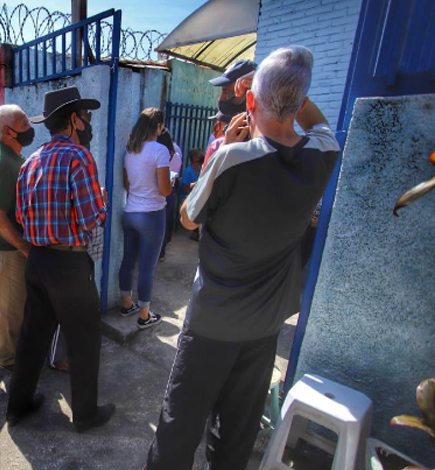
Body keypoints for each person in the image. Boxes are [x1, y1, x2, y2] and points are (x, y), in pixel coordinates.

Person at [146, 45, 340, 470]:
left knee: (180, 424)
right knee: (238, 429)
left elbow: (188, 218)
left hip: (212, 322)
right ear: (302, 101)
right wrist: (291, 93)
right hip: (265, 326)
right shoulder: (323, 155)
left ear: (249, 101)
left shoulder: (233, 158)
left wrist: (220, 152)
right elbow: (316, 121)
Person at [7, 86, 115, 432]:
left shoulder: (31, 162)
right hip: (69, 265)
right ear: (73, 119)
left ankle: (18, 406)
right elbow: (90, 218)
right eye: (86, 117)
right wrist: (102, 203)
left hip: (37, 260)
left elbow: (21, 218)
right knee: (84, 340)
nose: (88, 123)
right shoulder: (79, 157)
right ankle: (84, 415)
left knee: (32, 337)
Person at [0, 104, 34, 371]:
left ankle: (15, 351)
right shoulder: (4, 164)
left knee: (19, 305)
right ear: (8, 131)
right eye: (24, 124)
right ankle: (6, 358)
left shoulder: (16, 157)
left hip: (17, 245)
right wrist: (25, 247)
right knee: (10, 308)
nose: (29, 129)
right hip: (9, 248)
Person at [118, 107, 172, 329]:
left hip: (130, 212)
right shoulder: (160, 151)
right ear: (158, 126)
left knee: (128, 261)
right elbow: (165, 190)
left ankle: (126, 304)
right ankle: (144, 316)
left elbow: (127, 185)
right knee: (147, 268)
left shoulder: (130, 150)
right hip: (152, 215)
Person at [202, 59, 258, 171]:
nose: (221, 98)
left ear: (249, 94)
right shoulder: (225, 140)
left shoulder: (263, 143)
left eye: (227, 92)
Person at [157, 129, 182, 262]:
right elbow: (174, 175)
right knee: (165, 222)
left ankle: (158, 252)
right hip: (169, 191)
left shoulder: (160, 153)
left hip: (160, 191)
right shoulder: (176, 154)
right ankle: (161, 252)